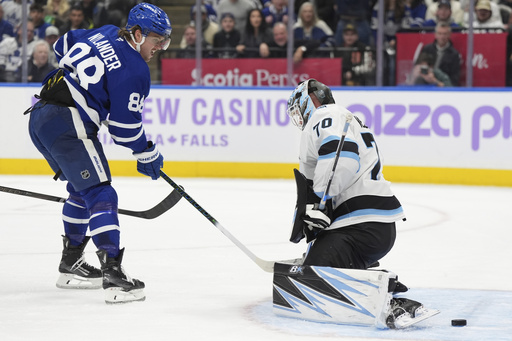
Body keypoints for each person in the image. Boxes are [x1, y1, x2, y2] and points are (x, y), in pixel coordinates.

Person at [25, 2, 171, 304]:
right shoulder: (136, 71)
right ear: (139, 34)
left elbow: (62, 44)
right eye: (159, 40)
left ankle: (71, 265)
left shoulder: (105, 32)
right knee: (103, 196)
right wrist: (146, 152)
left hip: (40, 115)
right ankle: (114, 277)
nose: (161, 47)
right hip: (68, 121)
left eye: (165, 41)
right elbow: (124, 129)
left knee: (82, 191)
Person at [286, 79, 429, 328]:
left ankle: (387, 300)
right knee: (317, 267)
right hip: (374, 226)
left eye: (298, 109)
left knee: (311, 282)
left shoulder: (324, 115)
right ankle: (379, 284)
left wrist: (321, 202)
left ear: (309, 101)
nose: (298, 118)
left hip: (359, 224)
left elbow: (342, 155)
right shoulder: (349, 119)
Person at [420, 21, 462, 86]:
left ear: (449, 35)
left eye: (445, 34)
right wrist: (427, 76)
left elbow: (454, 79)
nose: (442, 37)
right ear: (435, 34)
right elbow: (419, 67)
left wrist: (436, 81)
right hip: (426, 81)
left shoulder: (454, 54)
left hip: (443, 86)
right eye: (439, 34)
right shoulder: (427, 49)